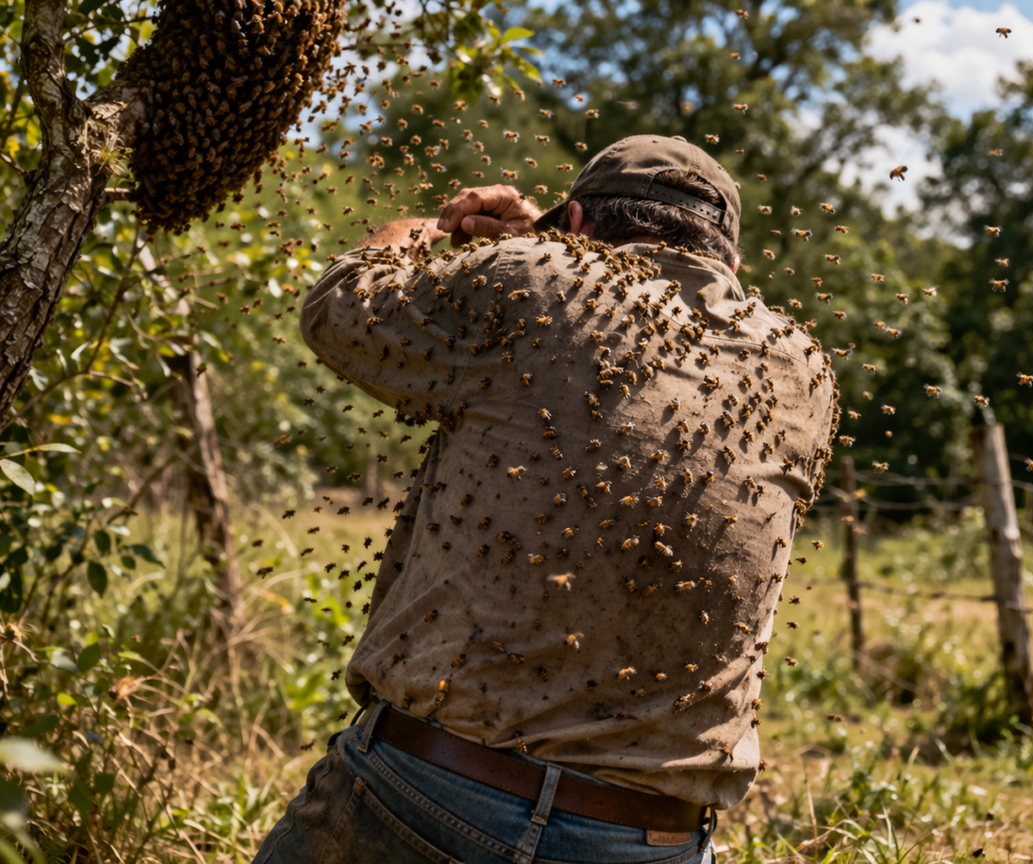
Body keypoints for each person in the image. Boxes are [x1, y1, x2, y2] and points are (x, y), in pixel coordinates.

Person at [254, 135, 838, 864]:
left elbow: (343, 304)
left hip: (425, 802)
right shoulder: (800, 369)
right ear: (731, 264)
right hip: (653, 840)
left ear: (582, 224)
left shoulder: (529, 278)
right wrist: (545, 253)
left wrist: (434, 231)